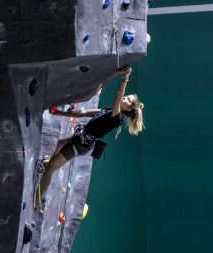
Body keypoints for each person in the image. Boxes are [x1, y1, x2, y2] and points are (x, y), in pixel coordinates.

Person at [38, 67, 144, 198]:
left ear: (128, 108)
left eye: (128, 100)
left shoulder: (116, 119)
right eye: (127, 96)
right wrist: (60, 113)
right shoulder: (108, 111)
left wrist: (125, 78)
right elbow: (83, 113)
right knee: (59, 143)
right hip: (80, 137)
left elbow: (118, 95)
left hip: (79, 145)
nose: (125, 97)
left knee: (50, 170)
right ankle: (46, 166)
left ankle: (37, 200)